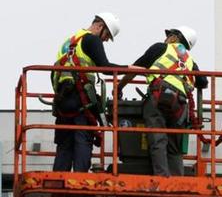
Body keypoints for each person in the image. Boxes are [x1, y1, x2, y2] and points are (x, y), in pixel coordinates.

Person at [118, 26, 208, 176]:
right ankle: (177, 180)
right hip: (180, 104)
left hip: (159, 96)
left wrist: (119, 87)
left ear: (174, 38)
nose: (166, 39)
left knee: (158, 138)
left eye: (168, 36)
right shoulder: (189, 61)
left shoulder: (161, 48)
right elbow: (203, 82)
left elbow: (135, 69)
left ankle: (162, 178)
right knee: (175, 146)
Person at [52, 13, 135, 172]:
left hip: (63, 98)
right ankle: (80, 178)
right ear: (100, 26)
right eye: (107, 36)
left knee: (64, 144)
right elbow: (104, 67)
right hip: (80, 98)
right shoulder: (92, 39)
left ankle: (58, 179)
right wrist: (128, 69)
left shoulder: (70, 41)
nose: (105, 40)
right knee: (83, 139)